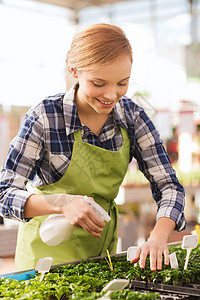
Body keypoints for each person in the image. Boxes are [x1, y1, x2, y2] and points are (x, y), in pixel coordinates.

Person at [0, 23, 186, 271]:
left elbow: (169, 187)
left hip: (99, 257)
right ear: (74, 71)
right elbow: (4, 195)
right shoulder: (45, 117)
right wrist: (63, 203)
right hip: (42, 259)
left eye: (122, 83)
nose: (111, 95)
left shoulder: (133, 118)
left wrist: (158, 237)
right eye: (99, 83)